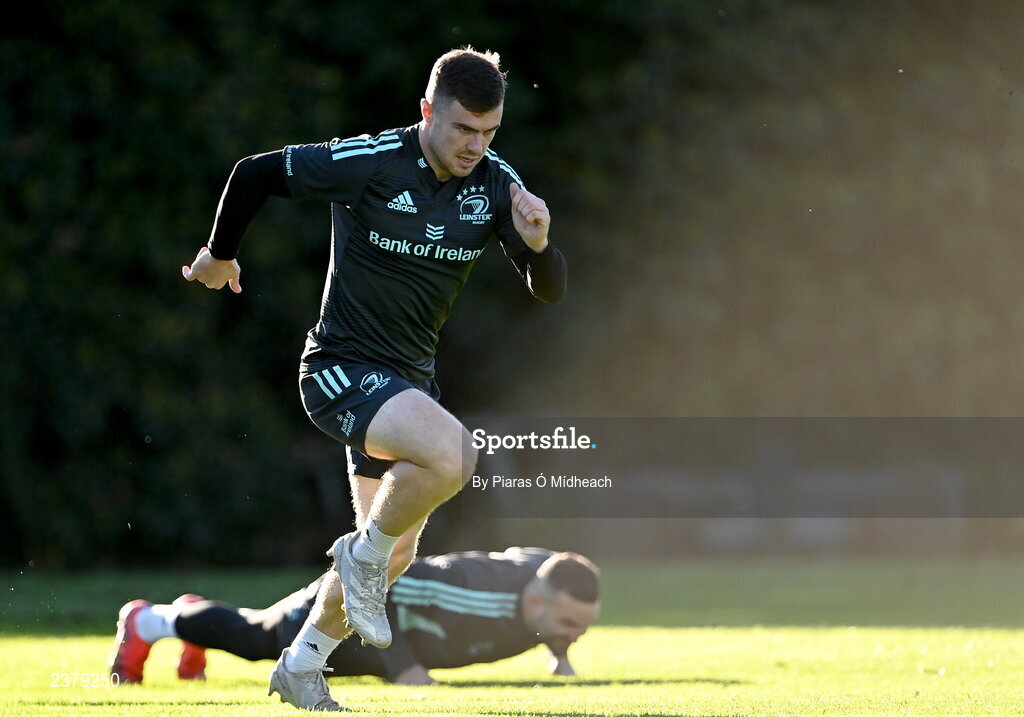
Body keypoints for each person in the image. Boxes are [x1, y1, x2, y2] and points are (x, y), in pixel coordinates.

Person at [178, 47, 567, 711]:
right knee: (453, 457)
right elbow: (254, 174)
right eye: (463, 130)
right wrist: (220, 254)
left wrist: (538, 247)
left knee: (390, 558)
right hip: (339, 368)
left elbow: (548, 290)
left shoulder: (496, 183)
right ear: (426, 112)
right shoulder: (374, 160)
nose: (477, 146)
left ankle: (302, 664)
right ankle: (357, 559)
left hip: (408, 388)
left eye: (489, 133)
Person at [109, 548, 598, 687]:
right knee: (259, 639)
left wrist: (559, 656)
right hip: (344, 605)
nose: (575, 637)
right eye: (569, 629)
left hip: (371, 642)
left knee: (254, 629)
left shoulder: (548, 587)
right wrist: (405, 668)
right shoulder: (474, 592)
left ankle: (190, 619)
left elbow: (561, 590)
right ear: (535, 604)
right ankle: (149, 622)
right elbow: (388, 581)